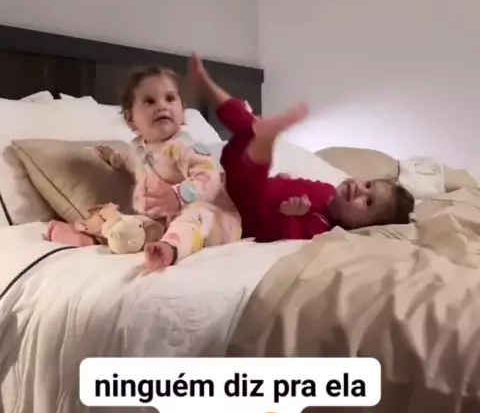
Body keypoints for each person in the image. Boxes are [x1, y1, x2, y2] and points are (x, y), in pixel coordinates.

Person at [189, 55, 415, 242]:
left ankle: (266, 139)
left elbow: (270, 235)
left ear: (362, 227)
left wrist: (286, 215)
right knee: (249, 128)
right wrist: (282, 180)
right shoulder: (327, 189)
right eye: (368, 184)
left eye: (368, 202)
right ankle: (206, 85)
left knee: (254, 155)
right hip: (239, 186)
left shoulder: (320, 227)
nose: (360, 190)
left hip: (243, 212)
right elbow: (294, 184)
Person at [47, 67, 241, 270]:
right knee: (126, 221)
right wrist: (113, 159)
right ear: (131, 119)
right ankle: (93, 238)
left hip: (213, 221)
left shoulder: (183, 146)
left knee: (193, 217)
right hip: (160, 220)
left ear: (183, 112)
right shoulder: (138, 148)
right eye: (150, 101)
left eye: (170, 98)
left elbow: (209, 176)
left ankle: (170, 249)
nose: (162, 106)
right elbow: (134, 164)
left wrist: (179, 195)